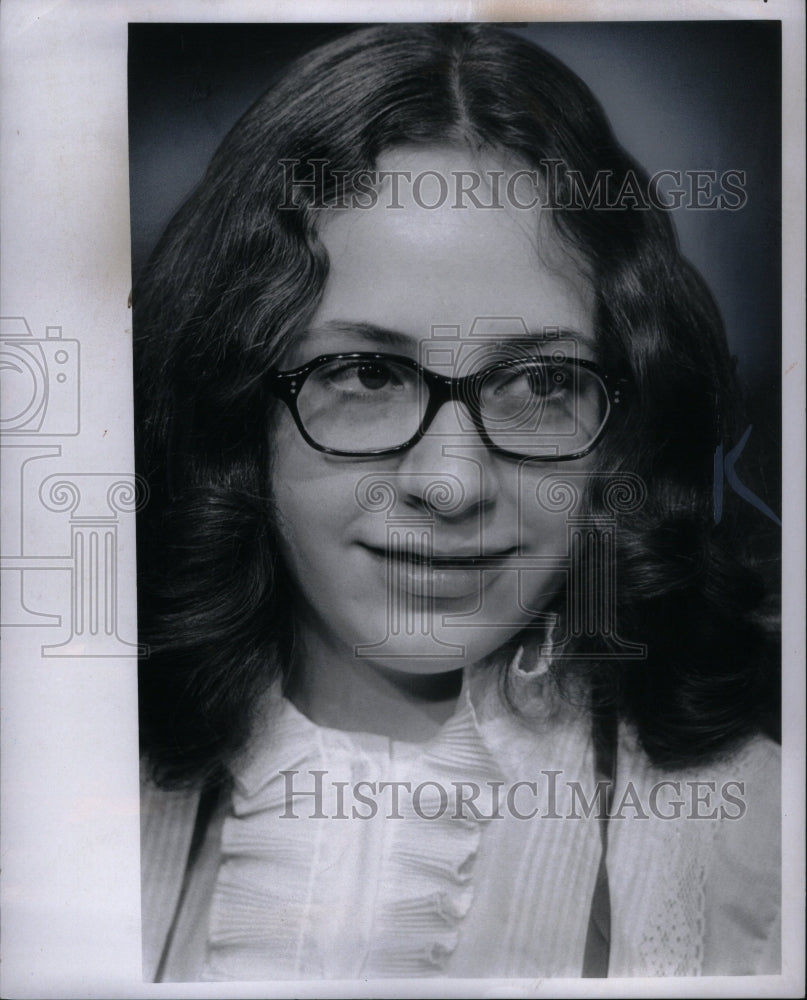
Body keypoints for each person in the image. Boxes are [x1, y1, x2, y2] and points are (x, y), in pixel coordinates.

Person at [133, 24, 780, 982]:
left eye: (541, 384)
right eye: (362, 373)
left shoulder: (760, 852)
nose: (451, 483)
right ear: (234, 407)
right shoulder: (60, 796)